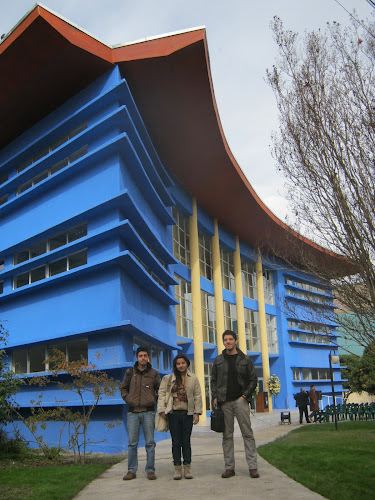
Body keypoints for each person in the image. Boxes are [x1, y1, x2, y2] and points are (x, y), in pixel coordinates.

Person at [211, 330, 259, 479]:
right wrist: (215, 396)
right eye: (225, 340)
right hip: (224, 402)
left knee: (247, 434)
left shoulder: (245, 359)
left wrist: (245, 396)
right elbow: (213, 380)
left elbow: (253, 379)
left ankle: (253, 467)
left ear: (236, 341)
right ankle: (229, 468)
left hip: (240, 401)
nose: (228, 342)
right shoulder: (218, 360)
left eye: (231, 339)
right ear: (223, 342)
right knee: (227, 436)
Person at [157, 353, 202, 480]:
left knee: (186, 442)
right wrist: (162, 410)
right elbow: (161, 394)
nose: (181, 365)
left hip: (187, 414)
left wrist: (197, 413)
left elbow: (197, 395)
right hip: (173, 414)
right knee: (176, 442)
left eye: (183, 363)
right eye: (178, 363)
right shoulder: (168, 378)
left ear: (187, 364)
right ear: (175, 365)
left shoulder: (193, 378)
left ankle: (187, 468)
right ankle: (177, 468)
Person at [120, 346, 160, 481]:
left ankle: (150, 470)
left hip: (148, 413)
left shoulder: (154, 374)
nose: (143, 358)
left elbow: (160, 391)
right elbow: (123, 388)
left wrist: (152, 400)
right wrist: (128, 399)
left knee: (150, 442)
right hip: (132, 413)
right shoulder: (130, 372)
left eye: (145, 355)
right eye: (140, 355)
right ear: (137, 357)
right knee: (132, 443)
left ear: (148, 357)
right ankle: (131, 470)